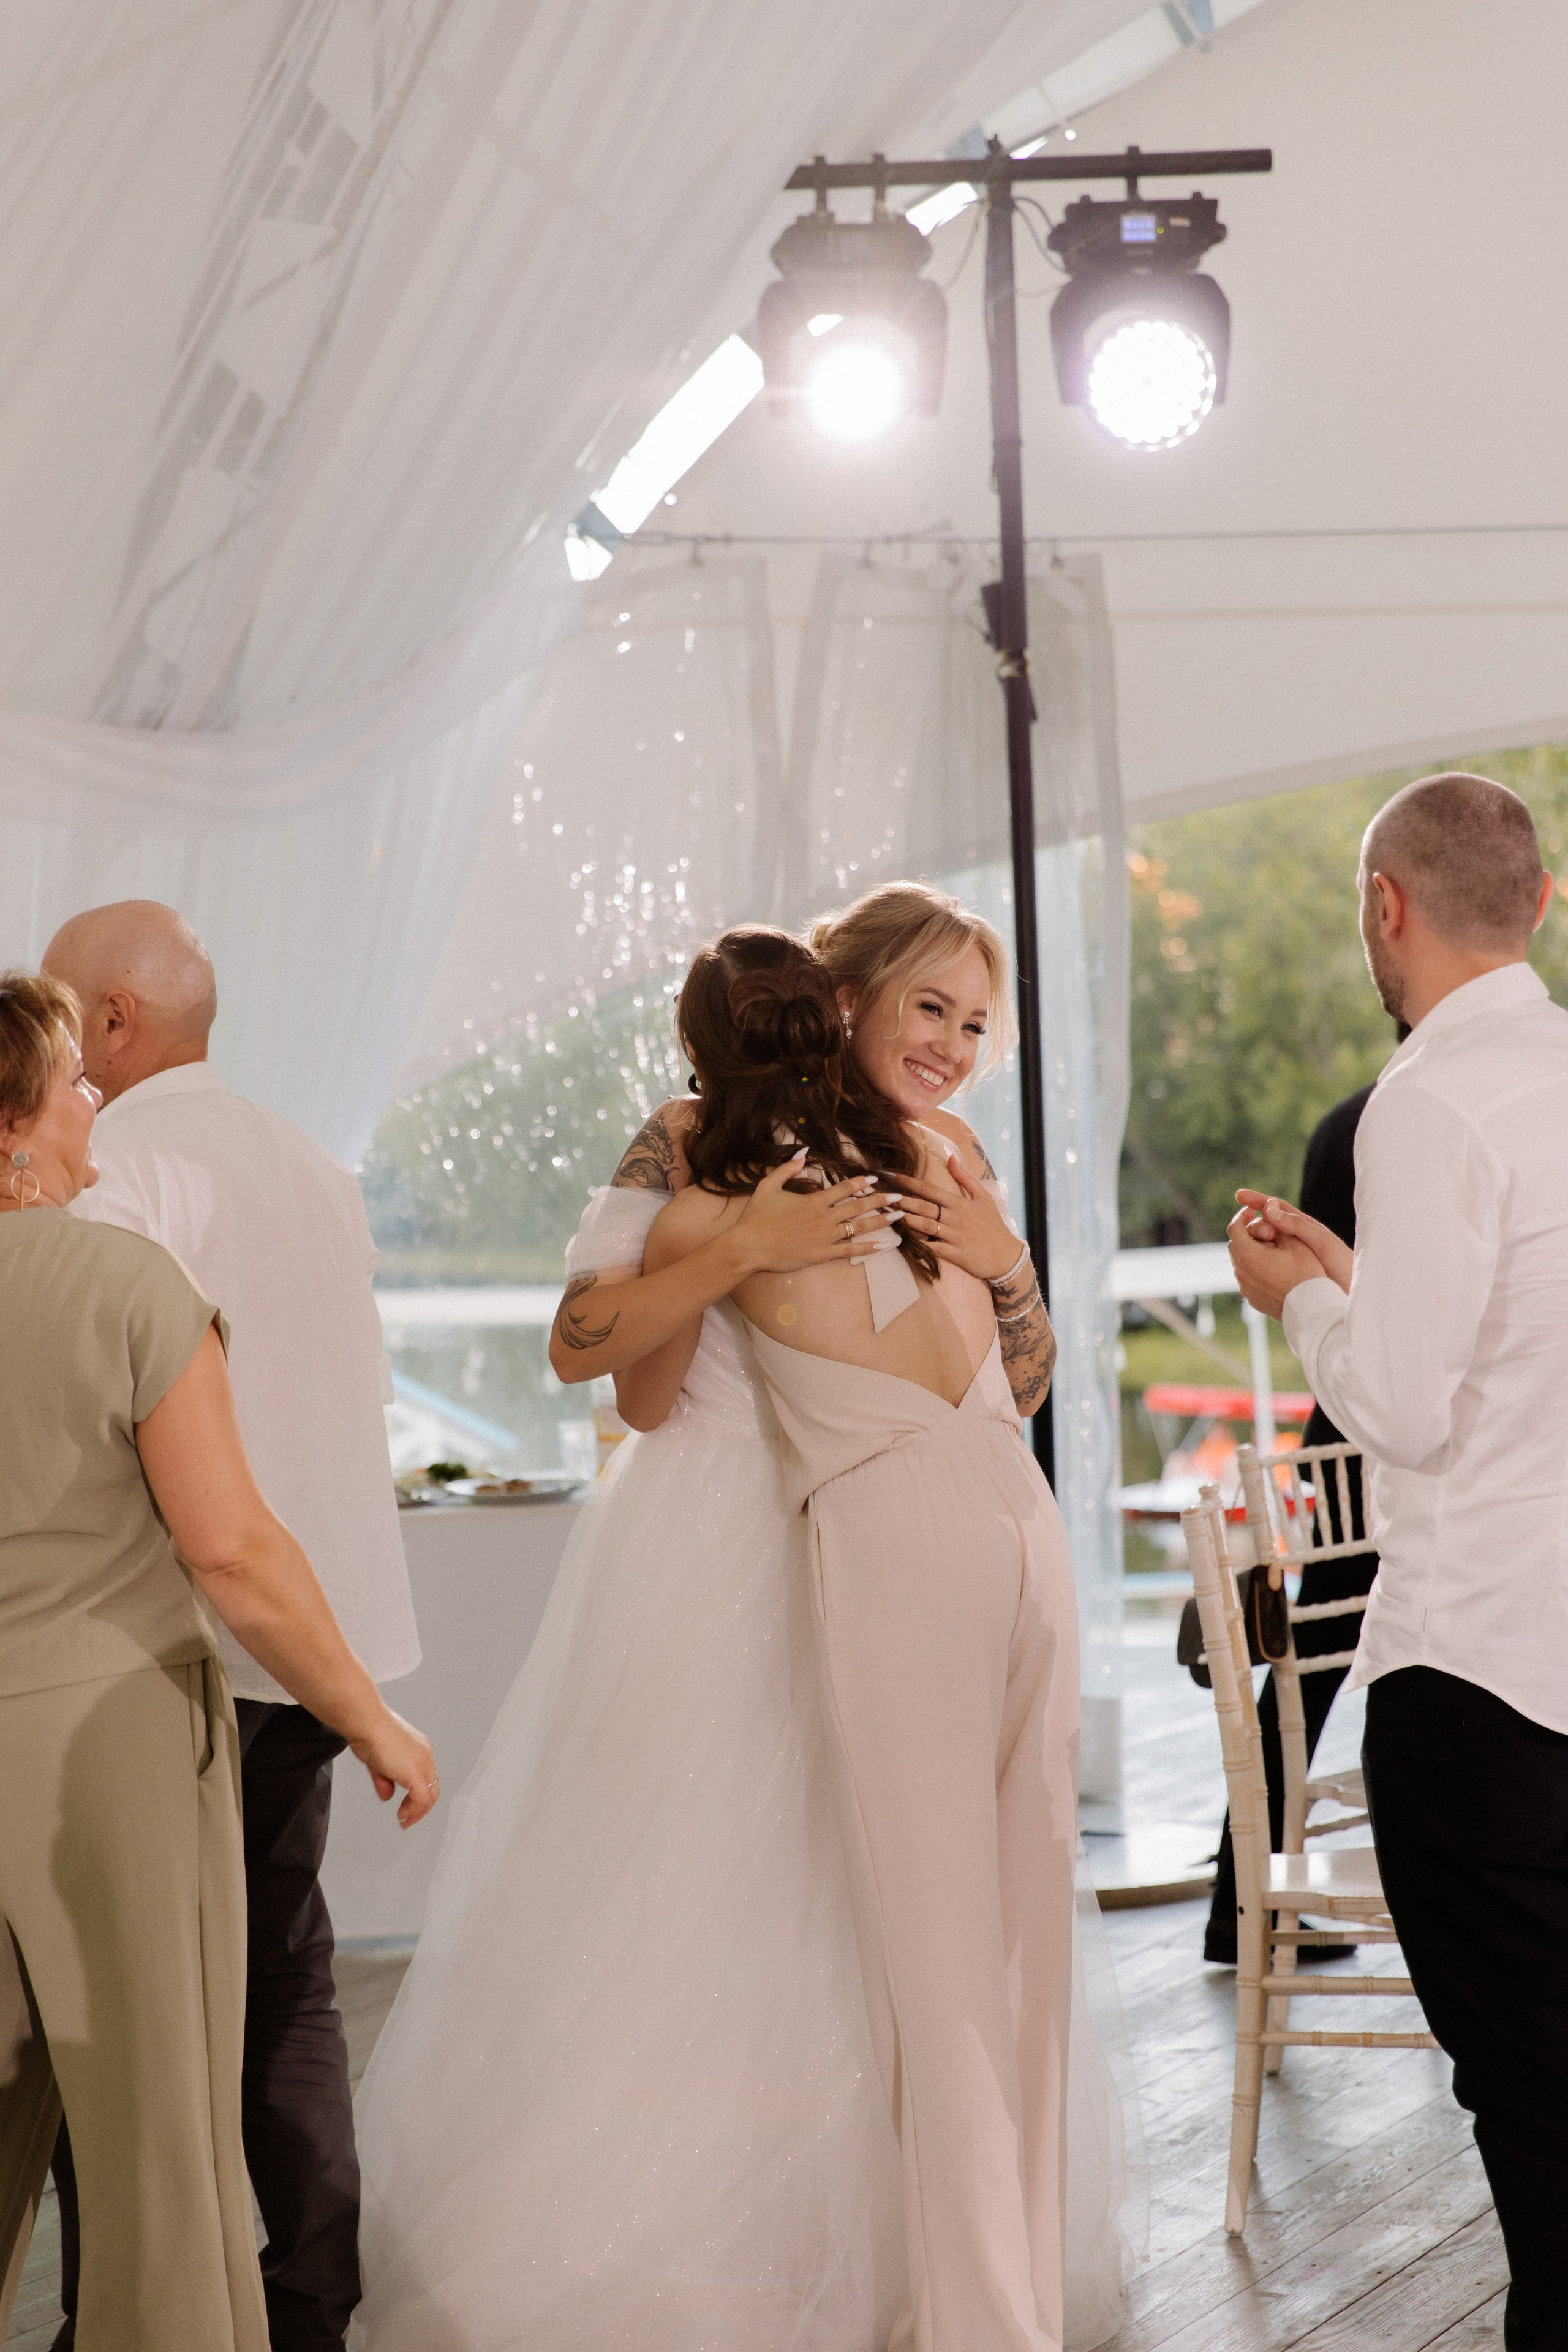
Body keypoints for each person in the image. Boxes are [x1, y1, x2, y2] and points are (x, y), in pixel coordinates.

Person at [353, 893, 1135, 2352]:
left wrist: (1002, 1257)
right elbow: (622, 1369)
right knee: (829, 1917)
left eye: (977, 1024)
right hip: (804, 1525)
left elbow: (1010, 1381)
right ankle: (906, 2279)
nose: (957, 1048)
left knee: (958, 1934)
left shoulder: (938, 1156)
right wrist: (747, 1248)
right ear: (842, 1001)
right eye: (931, 1011)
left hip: (940, 1526)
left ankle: (972, 2283)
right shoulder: (693, 1138)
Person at [0, 973, 437, 2352]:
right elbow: (235, 1549)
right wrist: (368, 1716)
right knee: (156, 2157)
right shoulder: (121, 1278)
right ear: (11, 1122)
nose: (93, 1109)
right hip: (103, 1750)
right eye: (71, 1085)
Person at [1227, 772, 1568, 2351]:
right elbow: (1506, 1346)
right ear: (1541, 905)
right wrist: (1352, 1274)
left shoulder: (1423, 1101)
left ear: (1384, 907)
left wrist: (1292, 1304)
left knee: (1526, 2102)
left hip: (1479, 1672)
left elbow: (1406, 1411)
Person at [1202, 1076, 1382, 1966]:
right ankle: (1247, 1898)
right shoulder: (1396, 1121)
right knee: (1321, 1670)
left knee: (1306, 1671)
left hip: (1338, 1429)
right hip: (1374, 1436)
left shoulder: (1344, 1117)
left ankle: (1239, 1897)